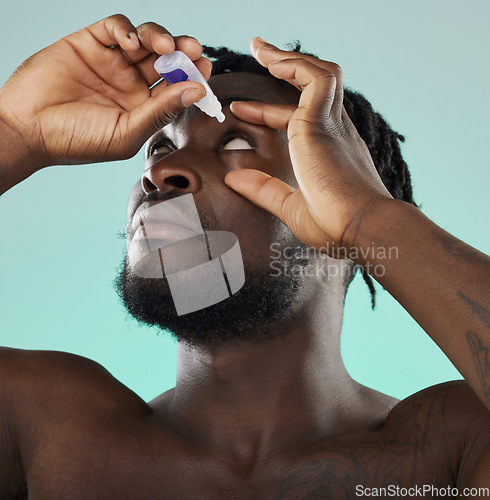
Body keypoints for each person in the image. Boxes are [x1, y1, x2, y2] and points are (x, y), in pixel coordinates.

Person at [0, 13, 489, 498]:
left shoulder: (449, 451)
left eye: (235, 141)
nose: (162, 172)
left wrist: (369, 217)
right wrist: (14, 133)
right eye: (158, 147)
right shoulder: (44, 426)